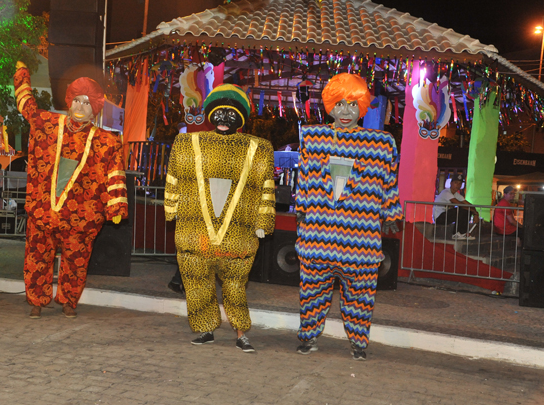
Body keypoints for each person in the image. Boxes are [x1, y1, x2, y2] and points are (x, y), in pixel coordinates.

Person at [295, 73, 403, 361]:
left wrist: (391, 212)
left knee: (361, 298)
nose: (346, 112)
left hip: (361, 241)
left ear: (364, 107)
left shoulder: (380, 144)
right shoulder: (313, 138)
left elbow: (388, 182)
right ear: (329, 106)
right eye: (340, 104)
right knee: (312, 295)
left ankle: (358, 343)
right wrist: (302, 208)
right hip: (318, 238)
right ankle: (307, 337)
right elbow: (304, 179)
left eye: (353, 105)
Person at [164, 84, 275, 353]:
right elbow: (174, 178)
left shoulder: (258, 148)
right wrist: (171, 209)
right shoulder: (187, 143)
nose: (225, 119)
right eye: (220, 112)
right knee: (196, 282)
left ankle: (241, 333)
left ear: (242, 117)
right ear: (210, 114)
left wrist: (263, 222)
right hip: (195, 231)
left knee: (236, 285)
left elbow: (266, 187)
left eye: (231, 113)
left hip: (238, 236)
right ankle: (205, 328)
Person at [14, 61, 128, 319]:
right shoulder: (49, 124)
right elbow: (27, 107)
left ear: (95, 110)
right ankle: (36, 300)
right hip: (43, 209)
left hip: (81, 216)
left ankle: (68, 301)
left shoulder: (106, 141)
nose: (80, 107)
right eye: (77, 100)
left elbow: (115, 174)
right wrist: (22, 75)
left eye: (87, 103)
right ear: (69, 102)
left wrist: (117, 206)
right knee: (37, 256)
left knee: (76, 261)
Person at [433, 174, 479, 240]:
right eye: (456, 183)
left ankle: (463, 233)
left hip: (446, 216)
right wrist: (474, 212)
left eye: (460, 183)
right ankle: (456, 234)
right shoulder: (446, 192)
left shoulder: (457, 195)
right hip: (439, 218)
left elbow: (469, 205)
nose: (458, 185)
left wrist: (475, 213)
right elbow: (460, 204)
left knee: (467, 210)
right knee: (462, 209)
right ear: (451, 183)